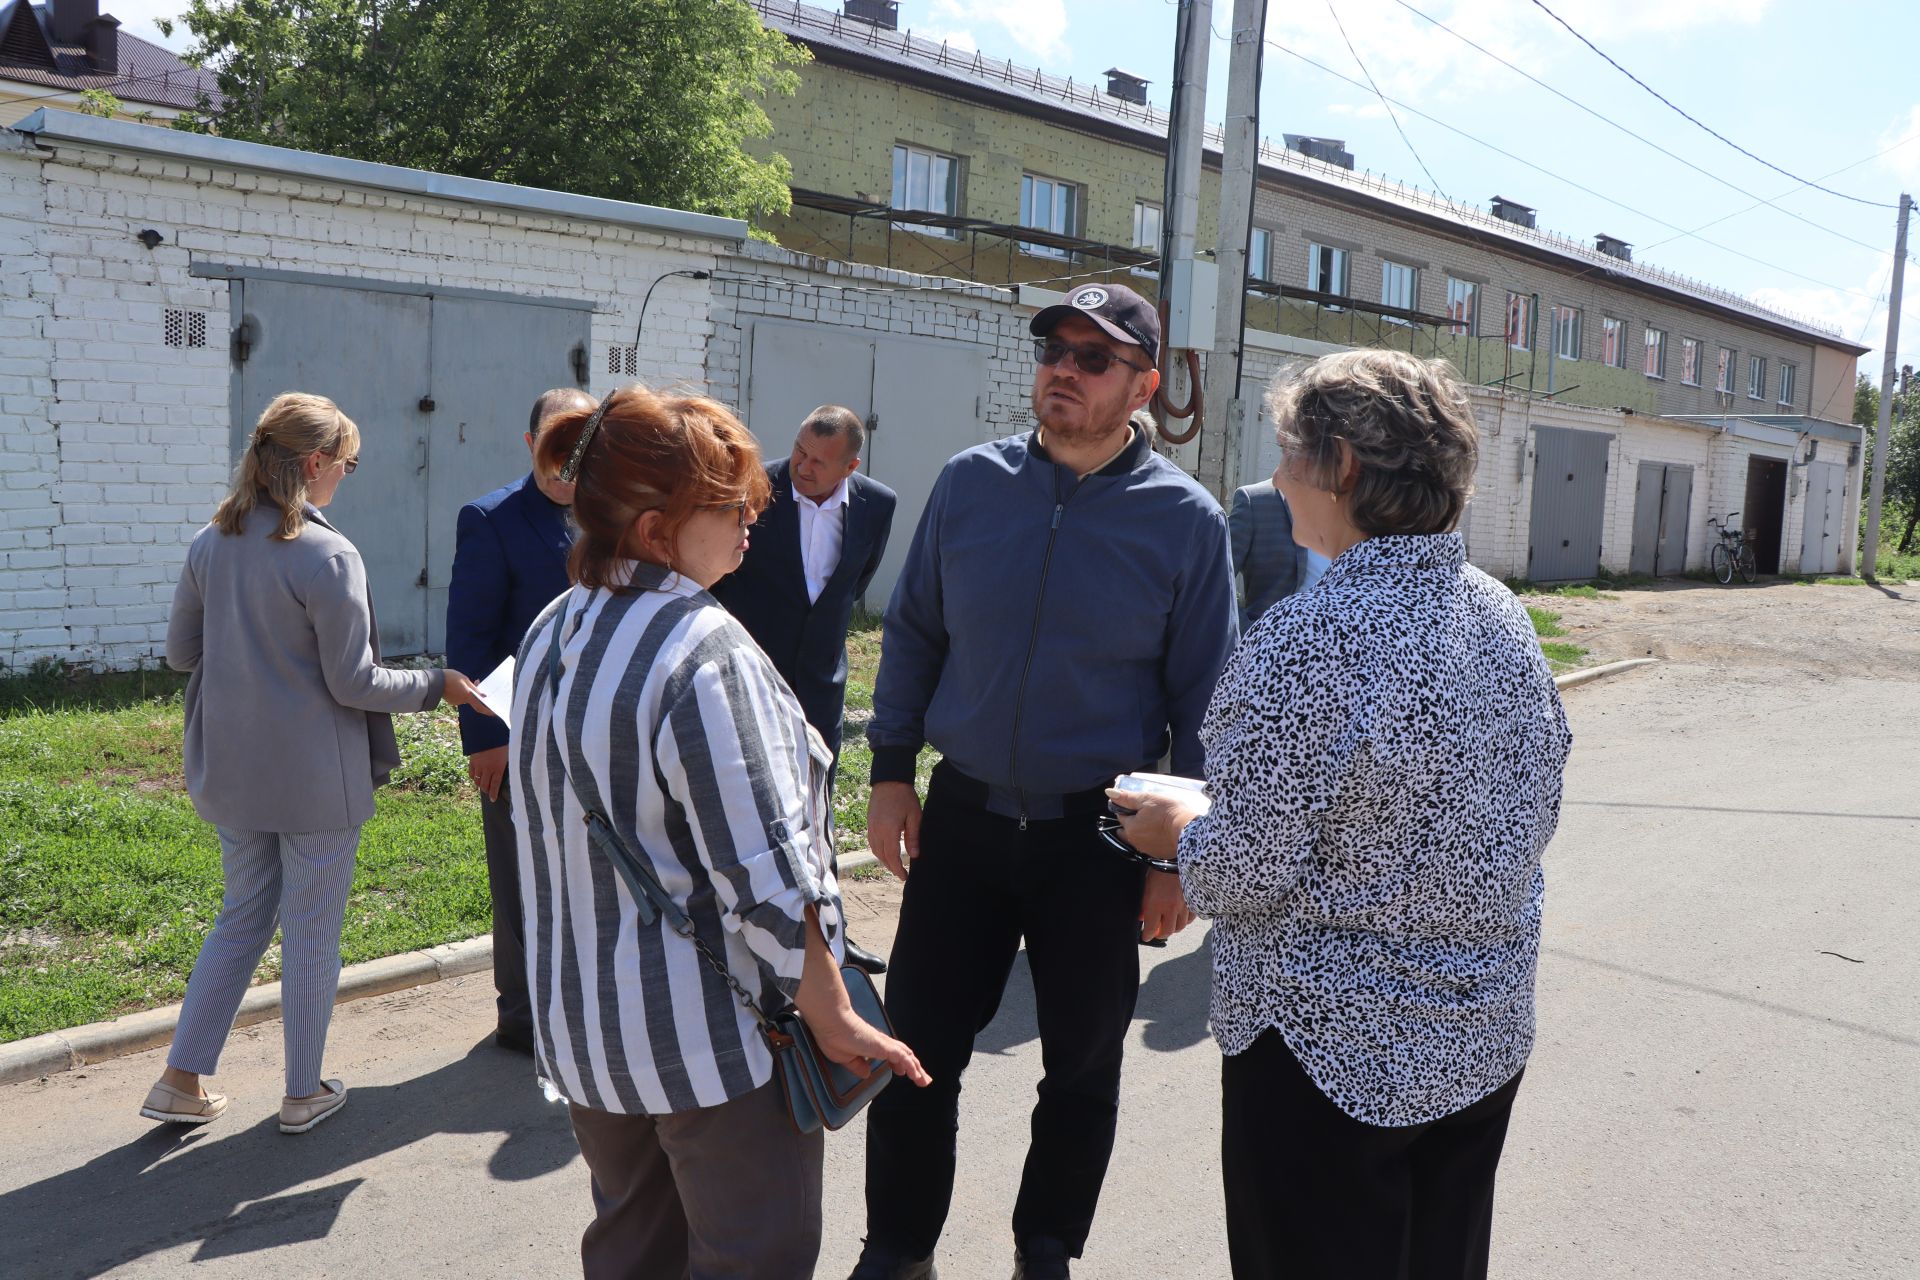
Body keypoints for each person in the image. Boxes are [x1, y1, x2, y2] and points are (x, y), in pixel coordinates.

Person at [1109, 349, 1574, 1280]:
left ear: (1346, 468)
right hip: (1477, 1039)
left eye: (1289, 453)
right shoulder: (1500, 616)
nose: (1278, 479)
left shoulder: (1309, 637)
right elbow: (1514, 806)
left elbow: (1243, 876)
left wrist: (1177, 833)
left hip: (1328, 1055)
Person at [851, 282, 1238, 1280]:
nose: (1063, 368)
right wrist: (893, 771)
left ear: (1143, 385)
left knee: (1081, 1063)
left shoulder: (1185, 523)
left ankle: (1047, 1246)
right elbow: (916, 631)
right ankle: (897, 1247)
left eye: (1093, 357)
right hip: (966, 819)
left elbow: (1205, 700)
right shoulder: (970, 483)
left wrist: (1178, 856)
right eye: (1053, 349)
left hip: (1098, 841)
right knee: (917, 1048)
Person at [510, 384, 929, 1280]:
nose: (753, 521)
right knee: (756, 1257)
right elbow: (768, 876)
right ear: (658, 531)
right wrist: (835, 1011)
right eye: (731, 507)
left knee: (631, 1251)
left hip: (588, 1034)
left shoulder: (553, 626)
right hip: (713, 1046)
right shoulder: (703, 649)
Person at [144, 392, 490, 1135]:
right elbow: (354, 682)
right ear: (312, 464)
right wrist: (441, 685)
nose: (347, 477)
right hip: (314, 780)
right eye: (347, 464)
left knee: (241, 917)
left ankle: (181, 1078)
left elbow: (180, 655)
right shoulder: (327, 553)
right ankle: (303, 1092)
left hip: (230, 769)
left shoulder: (211, 542)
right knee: (310, 931)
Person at [711, 405, 898, 975]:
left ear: (850, 465)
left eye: (819, 460)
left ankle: (829, 941)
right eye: (798, 451)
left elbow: (853, 585)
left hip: (821, 684)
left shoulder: (877, 505)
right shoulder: (752, 490)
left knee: (816, 813)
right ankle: (741, 937)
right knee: (744, 805)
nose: (802, 466)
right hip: (748, 679)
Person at [444, 385, 595, 1053]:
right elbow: (470, 640)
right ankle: (523, 1015)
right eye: (558, 438)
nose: (570, 455)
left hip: (596, 735)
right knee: (521, 877)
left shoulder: (614, 513)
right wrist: (485, 739)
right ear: (532, 443)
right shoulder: (491, 518)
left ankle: (582, 1004)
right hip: (520, 736)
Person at [1227, 477, 1311, 628]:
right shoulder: (1255, 501)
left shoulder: (1347, 507)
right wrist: (1249, 632)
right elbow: (1214, 581)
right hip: (1270, 644)